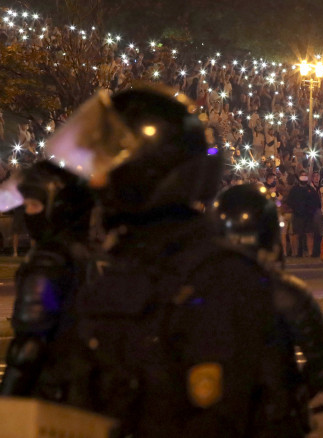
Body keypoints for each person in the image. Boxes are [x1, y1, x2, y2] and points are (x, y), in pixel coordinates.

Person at [44, 85, 277, 438]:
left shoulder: (217, 276)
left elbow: (217, 418)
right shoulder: (123, 260)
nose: (95, 178)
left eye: (110, 161)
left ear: (148, 169)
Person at [214, 183, 323, 436]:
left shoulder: (192, 291)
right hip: (276, 421)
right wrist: (295, 394)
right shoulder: (287, 292)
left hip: (213, 421)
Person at [0, 161, 94, 397]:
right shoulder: (89, 250)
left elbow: (29, 345)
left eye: (34, 205)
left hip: (51, 386)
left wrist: (9, 401)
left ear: (57, 207)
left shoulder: (48, 260)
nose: (29, 213)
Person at [287, 170, 321, 257]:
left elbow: (316, 202)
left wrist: (311, 211)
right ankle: (295, 253)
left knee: (310, 234)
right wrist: (296, 209)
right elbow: (290, 201)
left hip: (309, 216)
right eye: (302, 175)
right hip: (297, 215)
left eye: (305, 175)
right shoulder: (294, 190)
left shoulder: (311, 190)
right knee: (296, 234)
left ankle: (310, 253)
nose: (304, 177)